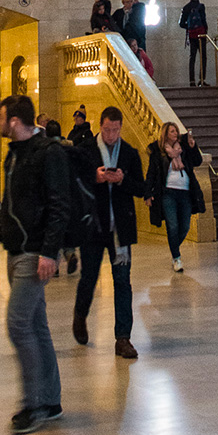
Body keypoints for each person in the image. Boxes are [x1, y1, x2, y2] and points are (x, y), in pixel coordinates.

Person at [0, 94, 70, 432]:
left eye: (2, 117)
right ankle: (51, 400)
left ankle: (32, 405)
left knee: (18, 325)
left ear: (14, 121)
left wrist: (50, 251)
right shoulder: (13, 156)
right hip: (16, 251)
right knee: (37, 327)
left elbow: (60, 206)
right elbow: (8, 205)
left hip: (34, 254)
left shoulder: (48, 153)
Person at [72, 106, 144, 356]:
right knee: (89, 278)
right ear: (99, 127)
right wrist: (95, 177)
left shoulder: (130, 153)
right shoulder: (86, 151)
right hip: (94, 226)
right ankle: (80, 314)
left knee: (122, 282)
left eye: (115, 130)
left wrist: (123, 180)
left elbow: (141, 188)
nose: (111, 134)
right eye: (106, 129)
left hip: (120, 228)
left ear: (120, 128)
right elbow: (75, 181)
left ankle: (123, 337)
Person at [146, 120, 204, 272]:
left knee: (184, 226)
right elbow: (151, 173)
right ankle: (176, 258)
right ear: (165, 133)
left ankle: (173, 249)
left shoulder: (184, 148)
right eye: (172, 131)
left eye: (176, 131)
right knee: (173, 225)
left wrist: (193, 147)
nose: (175, 134)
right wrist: (147, 194)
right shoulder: (158, 151)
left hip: (185, 191)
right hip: (167, 193)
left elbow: (197, 161)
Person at [179, 0, 209, 87]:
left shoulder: (186, 7)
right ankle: (202, 79)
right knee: (203, 57)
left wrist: (189, 27)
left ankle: (192, 80)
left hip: (192, 36)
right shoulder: (201, 6)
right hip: (201, 35)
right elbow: (204, 21)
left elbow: (181, 24)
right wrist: (205, 32)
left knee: (192, 58)